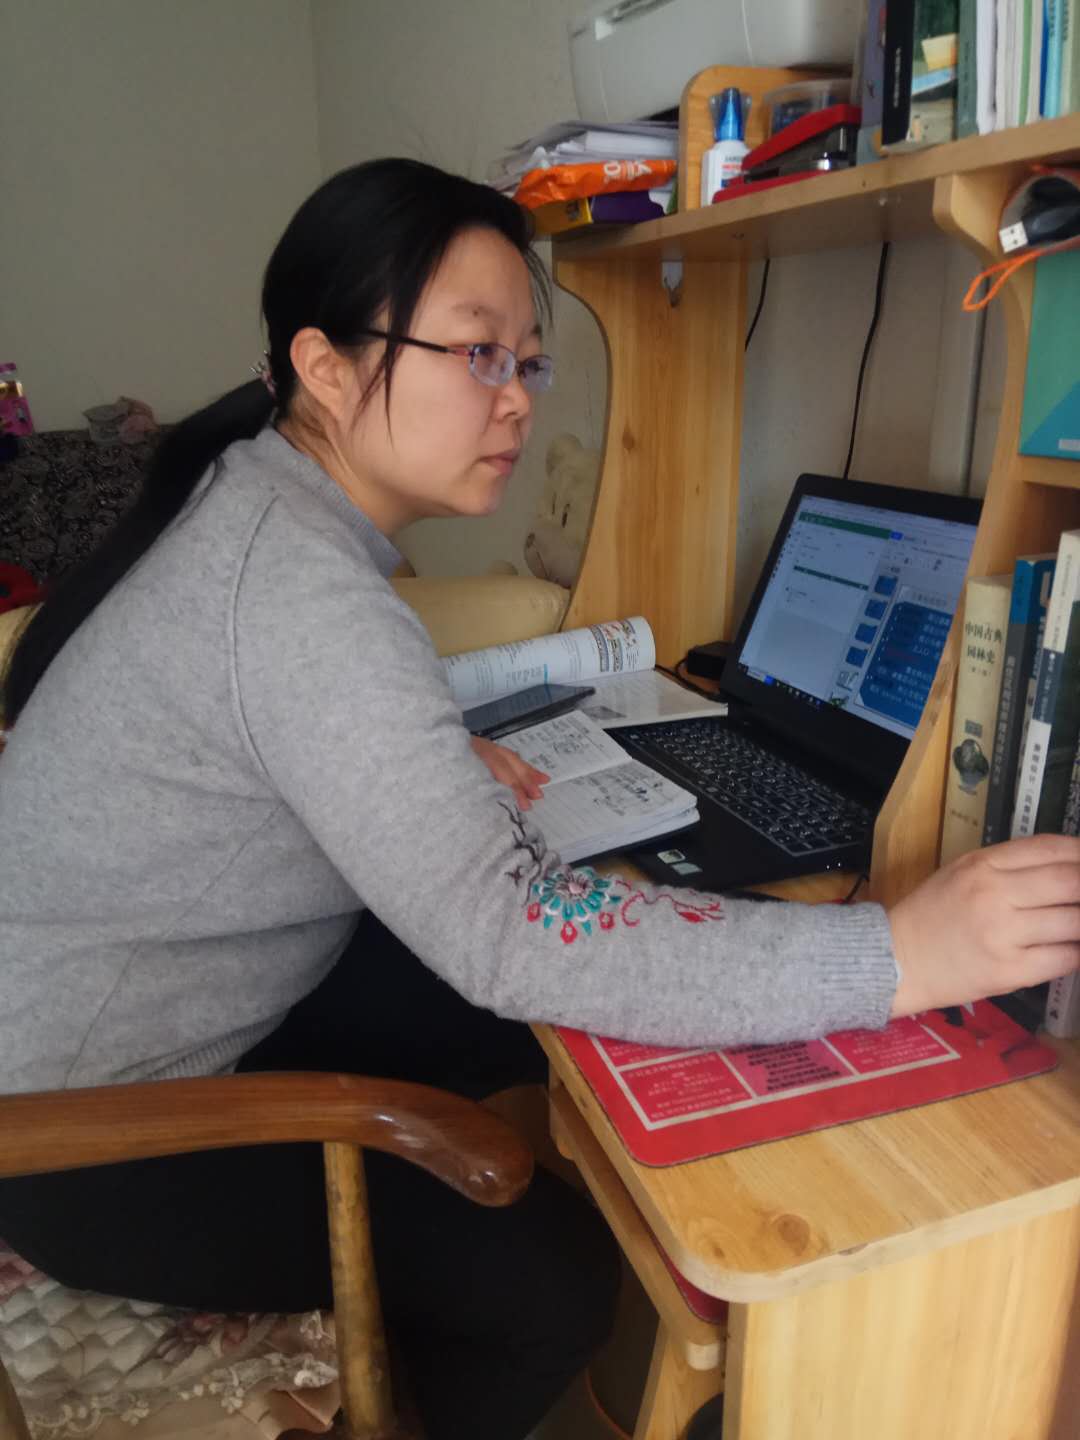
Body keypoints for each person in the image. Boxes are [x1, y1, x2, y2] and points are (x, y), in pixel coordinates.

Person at [0, 157, 1077, 1440]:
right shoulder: (295, 592)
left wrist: (419, 759)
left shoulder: (263, 510)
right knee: (550, 1284)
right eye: (475, 354)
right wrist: (901, 954)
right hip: (89, 1137)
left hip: (135, 1026)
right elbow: (510, 933)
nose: (514, 398)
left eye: (527, 359)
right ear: (325, 366)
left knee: (538, 1018)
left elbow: (267, 728)